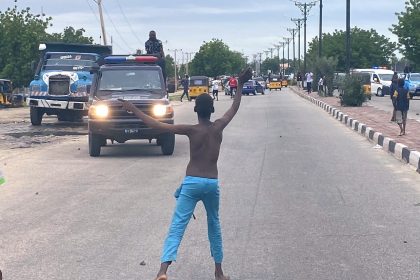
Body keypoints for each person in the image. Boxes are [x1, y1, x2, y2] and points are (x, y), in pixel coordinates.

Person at [119, 67, 253, 280]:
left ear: (195, 110)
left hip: (191, 183)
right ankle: (219, 272)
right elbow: (234, 108)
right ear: (212, 110)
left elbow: (156, 124)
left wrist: (133, 109)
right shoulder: (218, 127)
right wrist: (240, 85)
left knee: (177, 226)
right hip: (211, 183)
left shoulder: (192, 130)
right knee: (214, 225)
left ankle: (162, 271)